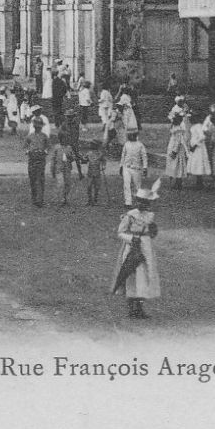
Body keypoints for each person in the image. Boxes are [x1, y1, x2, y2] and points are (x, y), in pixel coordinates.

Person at [110, 182, 162, 319]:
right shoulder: (130, 215)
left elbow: (152, 231)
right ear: (136, 202)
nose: (142, 205)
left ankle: (139, 308)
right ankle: (131, 308)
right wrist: (132, 238)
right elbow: (120, 232)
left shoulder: (150, 216)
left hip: (146, 247)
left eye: (145, 203)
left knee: (144, 276)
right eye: (140, 202)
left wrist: (152, 232)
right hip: (133, 247)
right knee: (131, 275)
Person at [119, 127, 149, 208]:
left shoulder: (140, 145)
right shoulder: (126, 144)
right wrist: (121, 166)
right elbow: (123, 155)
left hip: (136, 168)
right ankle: (128, 202)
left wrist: (145, 167)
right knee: (126, 184)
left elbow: (144, 156)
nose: (131, 137)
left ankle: (140, 201)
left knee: (137, 185)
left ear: (136, 136)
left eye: (133, 135)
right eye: (130, 135)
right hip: (126, 167)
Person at [47, 127, 77, 207]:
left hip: (67, 169)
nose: (67, 140)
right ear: (60, 139)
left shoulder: (69, 148)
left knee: (68, 184)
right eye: (65, 138)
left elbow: (73, 157)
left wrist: (71, 157)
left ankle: (65, 198)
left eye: (68, 138)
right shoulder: (57, 147)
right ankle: (58, 199)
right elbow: (53, 159)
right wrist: (52, 169)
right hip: (58, 169)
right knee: (60, 183)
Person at [184, 110, 213, 190]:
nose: (191, 120)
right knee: (195, 163)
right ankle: (198, 181)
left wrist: (195, 145)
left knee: (199, 163)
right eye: (190, 119)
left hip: (199, 148)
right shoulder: (193, 126)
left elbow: (203, 137)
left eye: (192, 118)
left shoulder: (199, 126)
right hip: (194, 148)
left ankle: (200, 182)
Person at [164, 113, 189, 190]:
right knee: (174, 165)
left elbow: (178, 141)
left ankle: (179, 183)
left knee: (178, 166)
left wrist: (174, 151)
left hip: (177, 150)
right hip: (172, 147)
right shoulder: (174, 127)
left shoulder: (178, 129)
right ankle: (176, 182)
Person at [83, 139, 105, 206]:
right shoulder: (89, 153)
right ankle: (89, 200)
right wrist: (83, 158)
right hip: (90, 173)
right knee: (89, 186)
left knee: (97, 187)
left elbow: (104, 161)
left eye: (93, 144)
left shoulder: (100, 154)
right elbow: (84, 159)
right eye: (91, 144)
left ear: (97, 146)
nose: (92, 146)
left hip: (97, 173)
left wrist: (103, 166)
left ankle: (95, 200)